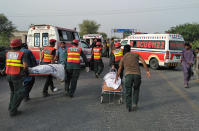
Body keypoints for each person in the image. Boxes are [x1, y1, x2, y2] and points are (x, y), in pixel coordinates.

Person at [115, 45, 150, 112]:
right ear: (130, 49)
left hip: (128, 75)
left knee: (128, 91)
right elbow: (143, 61)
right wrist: (147, 71)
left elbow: (120, 68)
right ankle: (135, 103)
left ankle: (128, 106)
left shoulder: (123, 57)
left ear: (124, 50)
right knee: (136, 89)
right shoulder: (136, 54)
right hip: (137, 75)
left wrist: (117, 76)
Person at [3, 39, 28, 116]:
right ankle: (13, 110)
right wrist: (25, 72)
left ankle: (11, 107)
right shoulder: (22, 54)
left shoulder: (8, 53)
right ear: (19, 45)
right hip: (17, 75)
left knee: (13, 92)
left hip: (8, 75)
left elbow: (8, 63)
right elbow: (25, 66)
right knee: (21, 92)